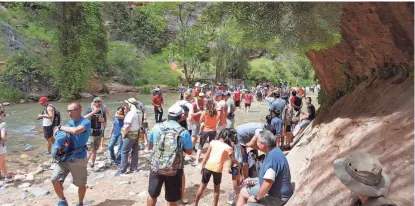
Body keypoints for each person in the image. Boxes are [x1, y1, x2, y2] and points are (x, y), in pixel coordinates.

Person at [147, 105, 193, 206]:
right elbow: (189, 151)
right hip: (174, 169)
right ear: (181, 116)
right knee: (171, 199)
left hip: (156, 167)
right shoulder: (183, 132)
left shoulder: (156, 127)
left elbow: (149, 146)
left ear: (168, 115)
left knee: (152, 195)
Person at [236, 130, 293, 206]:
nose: (256, 143)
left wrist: (256, 198)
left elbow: (268, 182)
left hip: (277, 197)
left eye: (258, 141)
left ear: (263, 145)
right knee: (243, 192)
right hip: (272, 189)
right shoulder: (274, 151)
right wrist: (256, 180)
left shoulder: (272, 158)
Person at [51, 102, 91, 206]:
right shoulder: (69, 123)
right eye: (68, 111)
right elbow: (64, 136)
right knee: (54, 179)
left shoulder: (85, 122)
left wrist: (60, 127)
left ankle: (80, 202)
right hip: (65, 157)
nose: (69, 113)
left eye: (71, 110)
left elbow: (75, 131)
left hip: (78, 158)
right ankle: (62, 200)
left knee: (81, 184)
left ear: (79, 110)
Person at [194, 128, 238, 206]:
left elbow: (206, 156)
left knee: (202, 186)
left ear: (220, 134)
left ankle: (196, 204)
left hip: (208, 167)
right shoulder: (228, 148)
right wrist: (236, 164)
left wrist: (202, 165)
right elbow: (233, 160)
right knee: (216, 190)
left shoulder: (213, 142)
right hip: (217, 170)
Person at [116, 101, 140, 176]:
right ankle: (134, 168)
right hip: (136, 133)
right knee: (135, 151)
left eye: (126, 105)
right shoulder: (136, 112)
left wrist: (123, 135)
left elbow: (127, 126)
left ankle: (122, 170)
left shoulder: (130, 114)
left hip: (129, 134)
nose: (124, 107)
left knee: (124, 151)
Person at [84, 97, 107, 168]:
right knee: (89, 151)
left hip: (99, 133)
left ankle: (92, 164)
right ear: (94, 103)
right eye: (97, 102)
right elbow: (83, 118)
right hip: (90, 134)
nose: (98, 103)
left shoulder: (102, 111)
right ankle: (82, 166)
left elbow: (105, 124)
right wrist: (93, 111)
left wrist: (103, 121)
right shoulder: (89, 110)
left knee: (95, 150)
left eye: (100, 102)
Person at [193, 99, 218, 166]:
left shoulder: (205, 112)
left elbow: (201, 120)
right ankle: (209, 160)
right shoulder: (215, 111)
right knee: (211, 145)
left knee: (200, 145)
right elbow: (217, 120)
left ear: (206, 105)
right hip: (213, 130)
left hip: (205, 130)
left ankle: (197, 161)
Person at [0, 108, 12, 182]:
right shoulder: (2, 123)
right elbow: (3, 136)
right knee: (2, 162)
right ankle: (7, 177)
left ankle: (6, 176)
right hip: (1, 146)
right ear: (1, 115)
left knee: (2, 161)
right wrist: (6, 137)